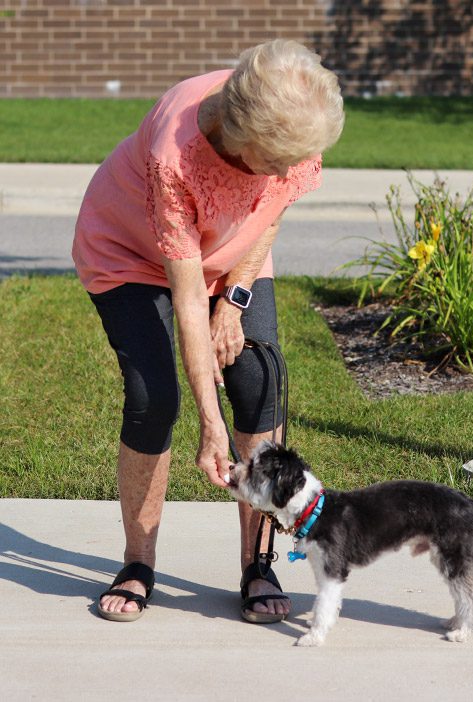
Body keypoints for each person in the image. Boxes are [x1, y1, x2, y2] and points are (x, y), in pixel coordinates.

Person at [72, 39, 345, 623]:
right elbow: (189, 298)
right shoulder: (178, 152)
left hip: (231, 259)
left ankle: (257, 564)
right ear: (241, 138)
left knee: (258, 381)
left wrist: (238, 300)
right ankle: (138, 563)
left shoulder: (290, 120)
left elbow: (273, 209)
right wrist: (209, 422)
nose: (285, 173)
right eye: (274, 162)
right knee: (154, 399)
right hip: (129, 252)